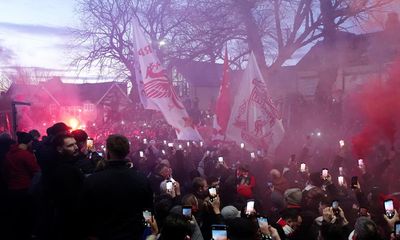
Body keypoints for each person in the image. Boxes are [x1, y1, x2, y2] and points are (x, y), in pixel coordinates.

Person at [80, 134, 153, 240]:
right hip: (133, 234)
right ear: (128, 152)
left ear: (107, 151)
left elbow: (85, 212)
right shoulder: (141, 179)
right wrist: (147, 228)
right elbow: (147, 209)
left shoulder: (93, 180)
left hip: (103, 235)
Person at [3, 131, 40, 240]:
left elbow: (5, 171)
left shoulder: (9, 154)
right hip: (25, 189)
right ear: (29, 142)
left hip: (11, 188)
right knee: (26, 216)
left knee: (16, 215)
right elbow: (36, 170)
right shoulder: (25, 155)